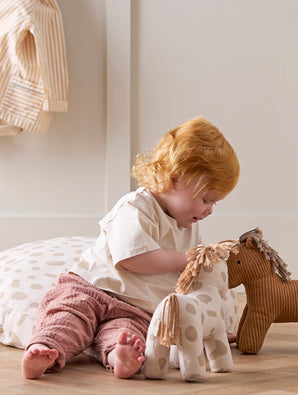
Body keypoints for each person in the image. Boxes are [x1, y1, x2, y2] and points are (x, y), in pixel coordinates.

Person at [21, 116, 240, 379]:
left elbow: (189, 284)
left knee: (127, 334)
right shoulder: (137, 207)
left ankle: (119, 356)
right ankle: (44, 347)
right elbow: (134, 259)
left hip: (135, 309)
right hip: (91, 289)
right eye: (206, 199)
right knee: (69, 318)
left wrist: (211, 325)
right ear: (175, 179)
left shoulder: (190, 229)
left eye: (215, 203)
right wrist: (187, 258)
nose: (209, 210)